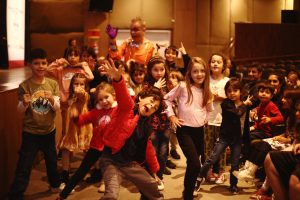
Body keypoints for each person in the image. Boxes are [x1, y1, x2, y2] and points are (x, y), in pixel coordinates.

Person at [97, 59, 164, 200]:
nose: (151, 106)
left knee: (152, 187)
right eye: (151, 101)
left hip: (129, 164)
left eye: (155, 107)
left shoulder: (146, 125)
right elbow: (122, 93)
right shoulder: (128, 108)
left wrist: (154, 171)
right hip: (111, 161)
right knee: (111, 195)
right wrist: (117, 78)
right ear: (142, 97)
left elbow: (148, 148)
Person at [8, 48, 62, 200]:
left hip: (48, 131)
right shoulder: (25, 86)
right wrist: (24, 104)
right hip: (30, 133)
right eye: (36, 63)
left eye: (43, 63)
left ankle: (55, 185)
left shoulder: (52, 84)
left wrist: (52, 100)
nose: (40, 66)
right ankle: (16, 194)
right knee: (24, 165)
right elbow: (20, 110)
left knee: (51, 161)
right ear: (29, 65)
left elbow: (57, 107)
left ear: (47, 64)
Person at [56, 80, 118, 199]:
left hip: (111, 148)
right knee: (81, 170)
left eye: (106, 97)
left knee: (112, 173)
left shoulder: (118, 110)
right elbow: (82, 120)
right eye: (100, 99)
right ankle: (63, 195)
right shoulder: (96, 112)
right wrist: (75, 116)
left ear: (113, 96)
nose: (104, 101)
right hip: (96, 146)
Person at [164, 57, 213, 200]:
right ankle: (187, 194)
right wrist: (171, 116)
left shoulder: (206, 90)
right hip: (184, 130)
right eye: (195, 71)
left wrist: (205, 119)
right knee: (194, 163)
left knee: (194, 163)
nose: (199, 74)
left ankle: (189, 189)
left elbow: (209, 109)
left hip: (199, 131)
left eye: (202, 71)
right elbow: (167, 99)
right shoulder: (182, 86)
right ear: (189, 73)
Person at [196, 78, 252, 195]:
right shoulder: (226, 104)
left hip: (237, 139)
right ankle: (199, 177)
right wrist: (245, 105)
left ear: (241, 91)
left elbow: (245, 121)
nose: (232, 93)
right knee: (212, 157)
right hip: (225, 137)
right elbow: (238, 113)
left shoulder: (245, 104)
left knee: (235, 163)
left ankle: (233, 185)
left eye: (235, 90)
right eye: (229, 91)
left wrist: (246, 105)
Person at [234, 82, 284, 181]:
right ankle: (247, 166)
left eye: (267, 92)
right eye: (261, 92)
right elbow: (258, 119)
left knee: (247, 138)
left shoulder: (271, 105)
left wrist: (270, 119)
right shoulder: (261, 104)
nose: (263, 94)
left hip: (266, 133)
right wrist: (253, 120)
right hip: (259, 130)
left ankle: (247, 167)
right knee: (244, 136)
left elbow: (281, 118)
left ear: (272, 95)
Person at [58, 73, 93, 183]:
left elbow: (82, 95)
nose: (79, 86)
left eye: (82, 84)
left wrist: (80, 92)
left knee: (88, 149)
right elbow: (64, 106)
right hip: (71, 128)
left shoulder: (85, 95)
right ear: (71, 84)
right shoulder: (69, 96)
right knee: (65, 149)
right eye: (76, 83)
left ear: (85, 86)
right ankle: (65, 173)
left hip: (84, 127)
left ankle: (93, 170)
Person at [204, 53, 230, 184]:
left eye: (218, 62)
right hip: (207, 119)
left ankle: (221, 172)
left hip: (222, 120)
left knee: (221, 148)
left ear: (223, 65)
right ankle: (208, 171)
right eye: (213, 61)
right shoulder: (205, 79)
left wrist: (218, 98)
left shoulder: (227, 81)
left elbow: (233, 98)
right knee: (208, 147)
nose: (215, 64)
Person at [264, 122, 300, 200]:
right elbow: (293, 136)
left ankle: (264, 189)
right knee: (270, 158)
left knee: (295, 181)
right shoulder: (289, 116)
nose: (298, 113)